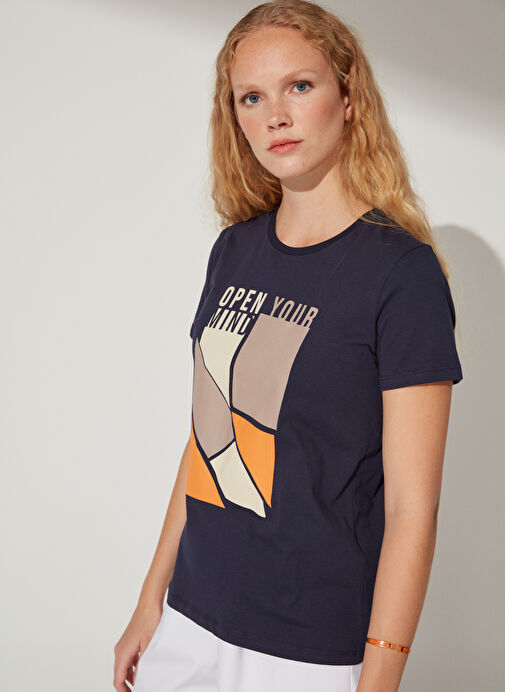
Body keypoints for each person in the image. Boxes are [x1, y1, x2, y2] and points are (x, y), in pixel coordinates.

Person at [113, 1, 464, 690]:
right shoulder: (234, 251)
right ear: (235, 118)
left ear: (348, 97)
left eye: (299, 86)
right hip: (191, 621)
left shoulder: (400, 273)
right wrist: (150, 600)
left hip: (307, 650)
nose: (275, 115)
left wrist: (378, 680)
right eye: (252, 97)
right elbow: (207, 437)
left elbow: (411, 511)